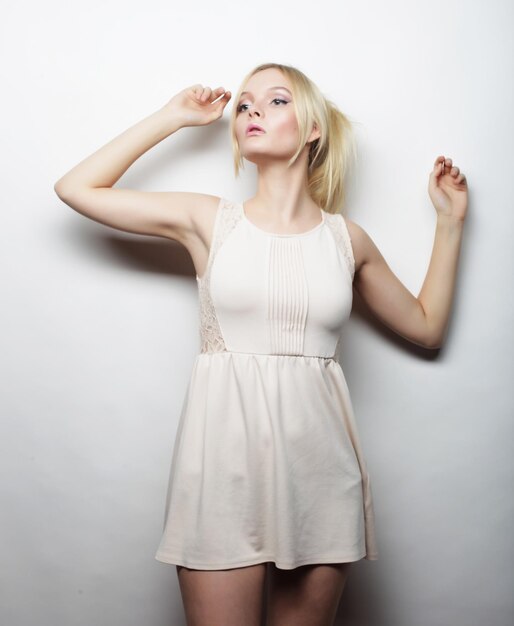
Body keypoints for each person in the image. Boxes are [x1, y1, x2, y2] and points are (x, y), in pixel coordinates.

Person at [54, 62, 468, 626]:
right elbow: (76, 188)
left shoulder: (346, 239)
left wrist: (449, 224)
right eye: (245, 104)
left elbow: (425, 326)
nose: (252, 111)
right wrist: (172, 117)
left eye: (276, 101)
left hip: (322, 472)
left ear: (314, 129)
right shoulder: (207, 220)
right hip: (222, 469)